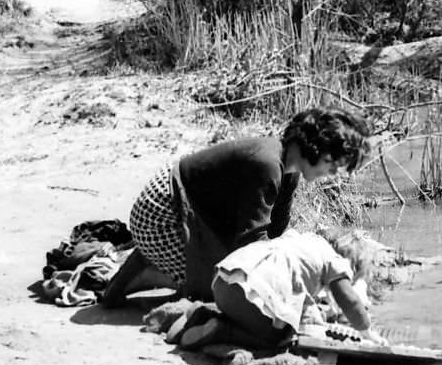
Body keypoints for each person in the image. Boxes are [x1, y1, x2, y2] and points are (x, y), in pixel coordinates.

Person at [102, 107, 371, 307]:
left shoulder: (288, 170)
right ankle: (150, 272)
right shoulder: (267, 164)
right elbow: (251, 242)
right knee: (218, 291)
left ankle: (147, 265)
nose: (334, 171)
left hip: (183, 209)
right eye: (332, 162)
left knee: (243, 274)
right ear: (314, 147)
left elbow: (275, 229)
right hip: (162, 211)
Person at [177, 229, 389, 350]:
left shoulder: (303, 240)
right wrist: (366, 331)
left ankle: (202, 315)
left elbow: (296, 289)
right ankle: (222, 331)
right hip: (253, 291)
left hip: (225, 279)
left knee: (258, 317)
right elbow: (349, 300)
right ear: (351, 265)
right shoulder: (335, 262)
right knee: (280, 337)